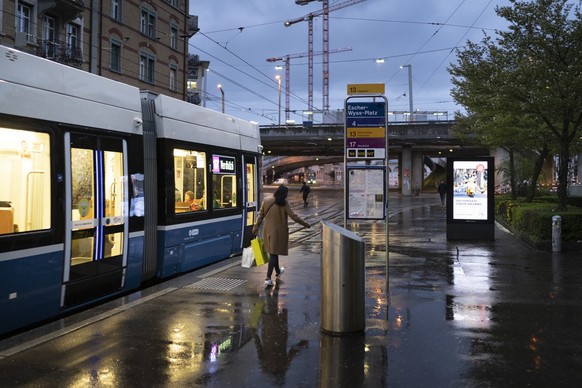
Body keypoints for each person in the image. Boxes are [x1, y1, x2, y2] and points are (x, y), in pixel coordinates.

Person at [252, 185, 311, 286]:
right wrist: (306, 224)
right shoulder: (284, 202)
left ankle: (278, 271)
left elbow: (260, 216)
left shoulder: (267, 200)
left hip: (268, 232)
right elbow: (294, 216)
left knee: (274, 253)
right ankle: (268, 278)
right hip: (279, 233)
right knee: (274, 254)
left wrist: (255, 228)